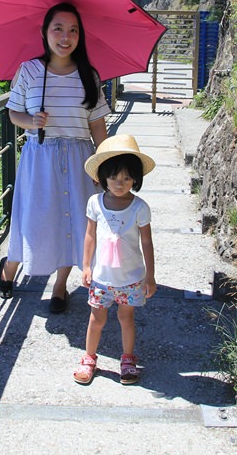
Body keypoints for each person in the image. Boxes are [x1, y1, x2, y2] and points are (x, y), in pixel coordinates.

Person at [0, 2, 110, 314]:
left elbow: (97, 125)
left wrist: (106, 165)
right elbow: (13, 113)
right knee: (34, 222)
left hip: (79, 157)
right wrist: (31, 121)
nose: (66, 36)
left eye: (73, 30)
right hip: (40, 158)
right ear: (45, 33)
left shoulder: (90, 75)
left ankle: (60, 286)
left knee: (73, 222)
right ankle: (10, 267)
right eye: (58, 28)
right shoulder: (29, 71)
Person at [73, 135, 155, 385]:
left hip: (130, 278)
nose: (120, 184)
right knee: (96, 318)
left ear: (136, 180)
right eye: (114, 178)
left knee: (126, 318)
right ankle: (89, 358)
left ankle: (128, 359)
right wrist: (86, 265)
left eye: (127, 178)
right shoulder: (95, 203)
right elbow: (90, 235)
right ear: (102, 177)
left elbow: (147, 243)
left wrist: (150, 276)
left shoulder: (139, 207)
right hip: (101, 277)